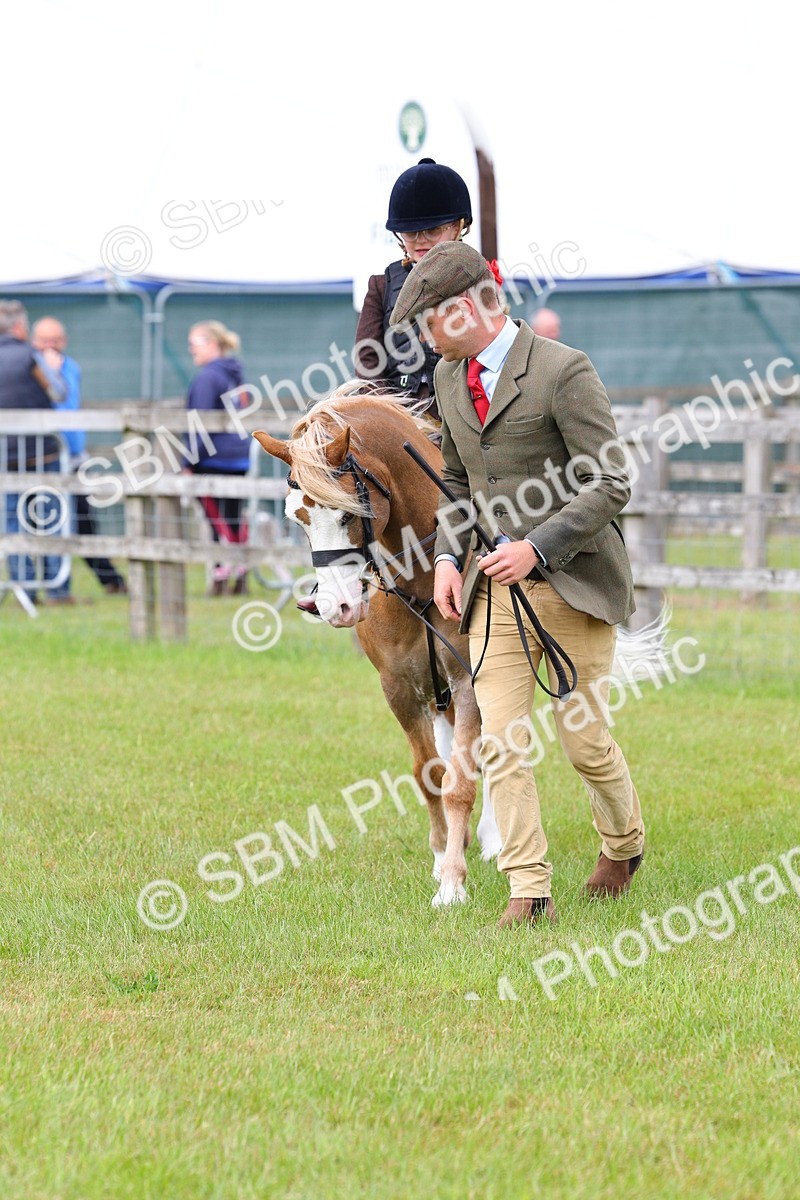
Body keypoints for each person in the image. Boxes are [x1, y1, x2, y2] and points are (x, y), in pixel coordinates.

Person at [390, 241, 645, 929]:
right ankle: (528, 891)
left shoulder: (565, 371)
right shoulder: (449, 378)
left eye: (428, 323)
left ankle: (625, 844)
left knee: (584, 744)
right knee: (501, 740)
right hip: (492, 593)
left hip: (575, 584)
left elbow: (611, 482)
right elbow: (455, 480)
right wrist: (447, 557)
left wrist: (537, 547)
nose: (422, 339)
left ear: (469, 308)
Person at [354, 157, 473, 418]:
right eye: (410, 232)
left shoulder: (477, 282)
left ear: (457, 228)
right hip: (398, 419)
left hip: (461, 416)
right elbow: (367, 363)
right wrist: (396, 417)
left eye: (431, 230)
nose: (420, 240)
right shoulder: (380, 286)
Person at [31, 317, 128, 602]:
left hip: (74, 459)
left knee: (84, 522)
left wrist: (55, 372)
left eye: (56, 340)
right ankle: (50, 589)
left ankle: (110, 580)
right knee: (43, 524)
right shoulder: (32, 368)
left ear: (65, 341)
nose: (51, 346)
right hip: (44, 458)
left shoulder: (71, 367)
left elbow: (67, 401)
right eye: (44, 340)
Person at [0, 300, 66, 602]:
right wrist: (55, 370)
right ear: (18, 326)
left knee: (13, 521)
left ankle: (24, 588)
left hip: (6, 458)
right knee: (51, 518)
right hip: (43, 454)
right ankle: (57, 588)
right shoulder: (31, 357)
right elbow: (58, 392)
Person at [185, 320, 250, 595]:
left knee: (216, 518)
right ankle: (241, 567)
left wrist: (187, 461)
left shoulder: (208, 377)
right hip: (239, 457)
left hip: (213, 458)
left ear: (212, 344)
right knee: (234, 514)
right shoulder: (236, 373)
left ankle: (224, 570)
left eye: (194, 344)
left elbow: (199, 422)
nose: (191, 351)